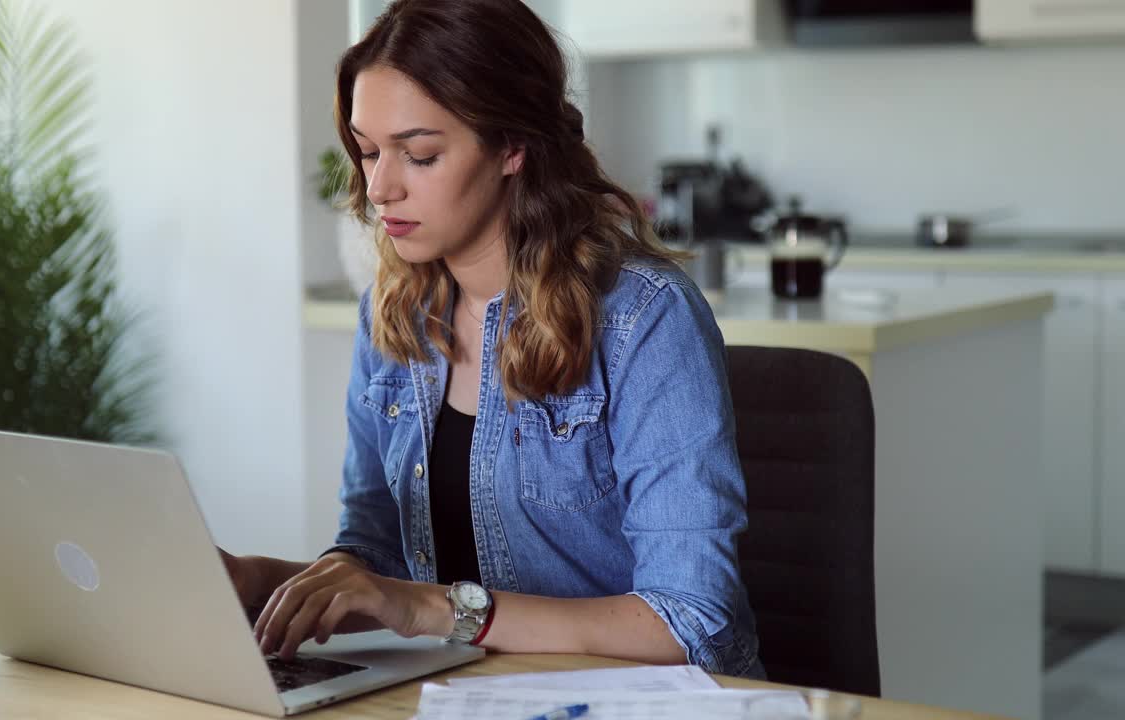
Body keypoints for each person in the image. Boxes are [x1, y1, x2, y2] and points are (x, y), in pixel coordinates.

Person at [221, 0, 762, 678]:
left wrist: (438, 610)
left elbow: (692, 622)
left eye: (419, 154)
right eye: (366, 151)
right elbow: (381, 565)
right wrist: (255, 581)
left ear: (512, 147)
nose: (379, 186)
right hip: (470, 697)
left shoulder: (643, 319)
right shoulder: (393, 318)